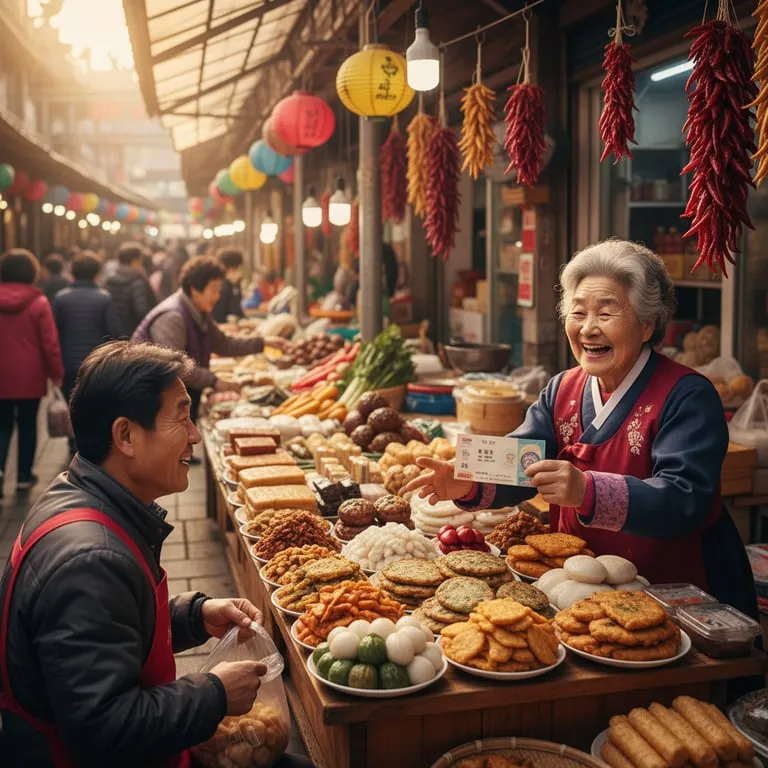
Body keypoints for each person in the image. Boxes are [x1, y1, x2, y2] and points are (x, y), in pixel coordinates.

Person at [405, 239, 757, 618]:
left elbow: (685, 496)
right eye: (578, 313)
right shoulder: (562, 389)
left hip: (677, 589)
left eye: (606, 314)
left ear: (646, 324)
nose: (588, 329)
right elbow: (526, 460)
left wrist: (586, 491)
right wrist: (468, 481)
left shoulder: (687, 396)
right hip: (580, 587)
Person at [0, 341, 290, 767]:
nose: (194, 434)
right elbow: (102, 729)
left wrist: (193, 616)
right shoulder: (91, 560)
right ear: (125, 435)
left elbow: (106, 628)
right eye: (181, 415)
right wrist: (213, 693)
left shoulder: (81, 496)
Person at [132, 257, 287, 423]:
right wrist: (214, 381)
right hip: (152, 400)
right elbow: (175, 366)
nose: (218, 296)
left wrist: (263, 343)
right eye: (213, 291)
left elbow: (223, 344)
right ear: (194, 290)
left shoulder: (199, 312)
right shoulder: (173, 317)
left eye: (219, 291)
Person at [0, 249, 63, 495]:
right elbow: (50, 343)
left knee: (2, 425)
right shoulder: (38, 302)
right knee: (27, 425)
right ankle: (24, 476)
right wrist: (56, 372)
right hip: (29, 376)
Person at [53, 251, 122, 454]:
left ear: (73, 272)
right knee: (94, 403)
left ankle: (73, 442)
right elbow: (114, 332)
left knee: (72, 403)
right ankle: (90, 444)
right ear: (96, 274)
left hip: (67, 362)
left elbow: (54, 331)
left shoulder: (60, 298)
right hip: (95, 363)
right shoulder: (103, 298)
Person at [104, 241, 156, 336]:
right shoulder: (137, 281)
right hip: (132, 334)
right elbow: (141, 310)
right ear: (135, 261)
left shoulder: (109, 280)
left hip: (113, 333)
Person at [211, 247, 245, 323]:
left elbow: (237, 311)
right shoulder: (221, 287)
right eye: (236, 268)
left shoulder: (234, 284)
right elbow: (218, 315)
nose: (240, 272)